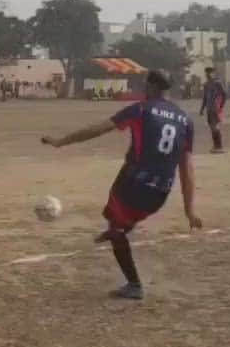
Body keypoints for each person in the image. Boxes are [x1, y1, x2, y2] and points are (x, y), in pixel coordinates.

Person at [41, 70, 203, 300]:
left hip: (133, 186)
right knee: (119, 214)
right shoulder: (185, 120)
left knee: (116, 216)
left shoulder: (141, 109)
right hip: (160, 193)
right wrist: (189, 210)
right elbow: (186, 167)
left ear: (149, 87)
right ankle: (119, 228)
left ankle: (133, 283)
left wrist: (61, 142)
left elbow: (98, 129)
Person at [199, 67, 227, 153]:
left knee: (215, 127)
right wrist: (202, 108)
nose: (208, 75)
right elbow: (205, 98)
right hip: (209, 108)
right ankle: (215, 146)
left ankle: (219, 146)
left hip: (215, 108)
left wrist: (221, 106)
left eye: (210, 73)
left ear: (213, 73)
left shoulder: (217, 83)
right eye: (207, 73)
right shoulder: (206, 84)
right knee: (212, 127)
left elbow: (224, 94)